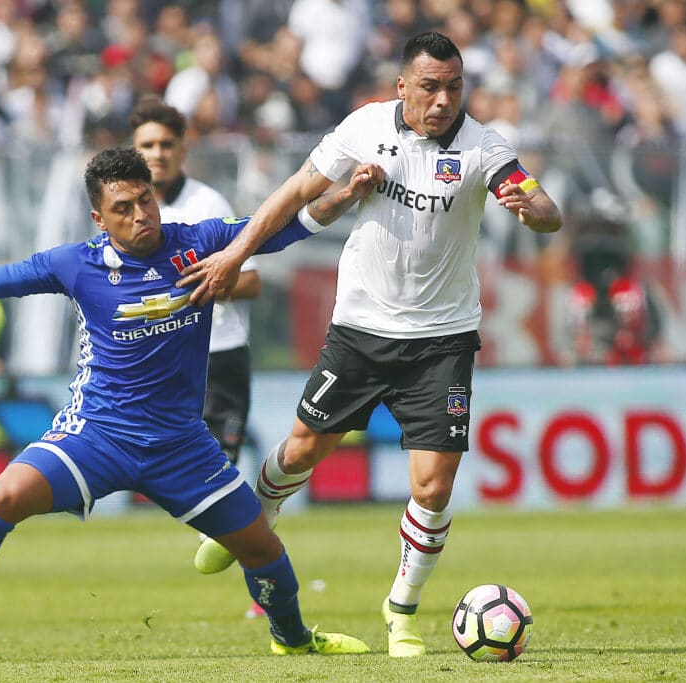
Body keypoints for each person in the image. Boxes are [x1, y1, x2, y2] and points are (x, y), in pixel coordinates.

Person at [0, 147, 381, 663]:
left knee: (262, 545)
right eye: (124, 208)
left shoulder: (198, 241)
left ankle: (294, 639)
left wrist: (347, 195)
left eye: (145, 200)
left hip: (179, 443)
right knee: (2, 497)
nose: (141, 216)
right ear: (99, 218)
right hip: (96, 435)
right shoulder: (75, 264)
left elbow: (285, 227)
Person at [179, 32, 562, 658]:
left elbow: (545, 207)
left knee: (433, 486)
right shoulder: (362, 127)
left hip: (442, 340)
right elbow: (294, 194)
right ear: (402, 88)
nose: (444, 100)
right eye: (431, 87)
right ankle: (257, 516)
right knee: (303, 449)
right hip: (361, 330)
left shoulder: (484, 146)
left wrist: (533, 208)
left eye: (454, 87)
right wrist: (233, 254)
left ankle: (402, 612)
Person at [129, 96, 265, 618]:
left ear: (183, 148)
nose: (158, 154)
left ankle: (264, 589)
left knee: (224, 482)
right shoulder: (123, 210)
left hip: (218, 358)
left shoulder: (207, 204)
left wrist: (198, 286)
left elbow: (249, 281)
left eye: (166, 144)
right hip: (156, 366)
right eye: (147, 145)